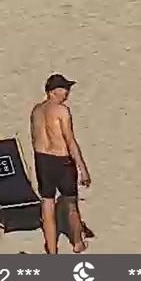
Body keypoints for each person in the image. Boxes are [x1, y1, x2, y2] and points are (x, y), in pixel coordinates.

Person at [30, 74, 91, 254]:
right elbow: (70, 141)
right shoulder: (62, 111)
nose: (67, 92)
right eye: (65, 89)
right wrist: (82, 168)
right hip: (62, 160)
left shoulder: (36, 111)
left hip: (42, 159)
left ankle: (51, 248)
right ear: (53, 91)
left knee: (47, 203)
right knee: (71, 203)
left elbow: (34, 137)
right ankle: (78, 242)